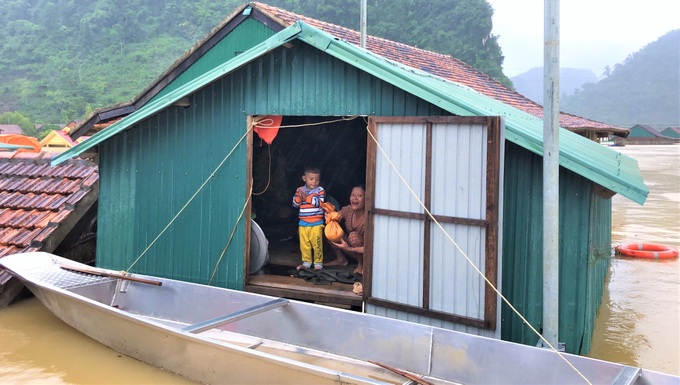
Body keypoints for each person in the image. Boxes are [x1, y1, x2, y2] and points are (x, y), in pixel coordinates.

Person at [326, 185, 365, 274]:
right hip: (350, 249)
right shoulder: (349, 209)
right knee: (331, 230)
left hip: (366, 254)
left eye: (359, 196)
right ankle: (341, 259)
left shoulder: (368, 217)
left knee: (353, 236)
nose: (355, 198)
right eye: (352, 195)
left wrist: (349, 249)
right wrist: (330, 217)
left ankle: (361, 265)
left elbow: (371, 248)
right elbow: (338, 215)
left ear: (366, 199)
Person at [292, 166, 325, 270]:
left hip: (317, 223)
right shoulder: (299, 190)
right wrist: (299, 198)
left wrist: (307, 198)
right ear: (304, 178)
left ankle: (318, 263)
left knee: (317, 244)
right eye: (311, 179)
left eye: (317, 179)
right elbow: (294, 204)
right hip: (303, 223)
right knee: (304, 244)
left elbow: (320, 203)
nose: (314, 182)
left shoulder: (320, 190)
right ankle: (306, 263)